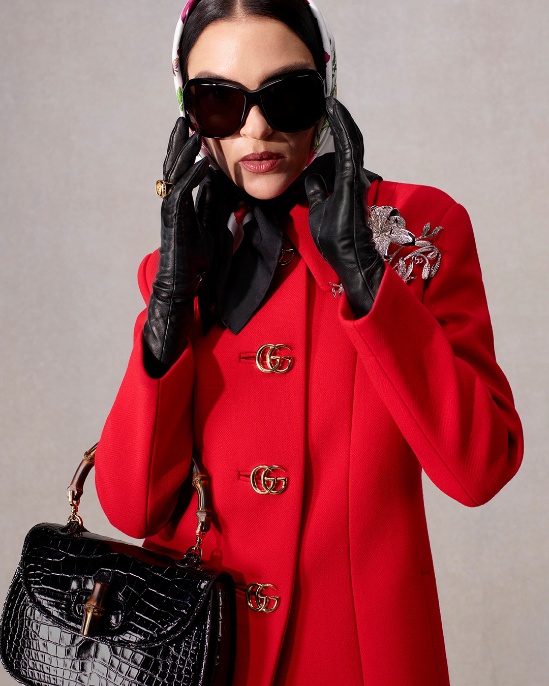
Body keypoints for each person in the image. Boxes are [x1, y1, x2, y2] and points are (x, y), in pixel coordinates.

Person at [95, 0, 524, 684]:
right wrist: (171, 302)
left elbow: (478, 469)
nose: (256, 127)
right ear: (187, 113)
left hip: (361, 661)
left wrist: (364, 275)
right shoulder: (183, 260)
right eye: (219, 102)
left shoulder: (414, 231)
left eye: (286, 95)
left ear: (326, 87)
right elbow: (130, 506)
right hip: (195, 657)